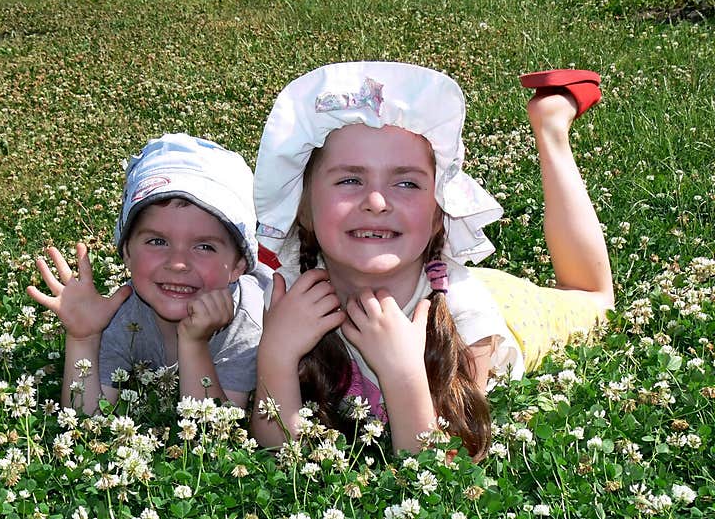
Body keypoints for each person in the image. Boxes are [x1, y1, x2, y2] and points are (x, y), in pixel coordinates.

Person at [249, 61, 614, 461]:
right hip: (438, 274)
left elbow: (450, 467)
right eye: (349, 180)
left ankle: (551, 127)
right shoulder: (295, 293)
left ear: (439, 212)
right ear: (304, 210)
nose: (375, 202)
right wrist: (276, 354)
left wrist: (402, 373)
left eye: (406, 183)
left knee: (593, 298)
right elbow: (281, 453)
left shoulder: (467, 315)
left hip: (509, 309)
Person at [27, 133, 272, 415]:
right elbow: (85, 420)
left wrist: (194, 343)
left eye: (204, 246)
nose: (177, 263)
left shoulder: (246, 324)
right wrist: (84, 339)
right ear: (127, 252)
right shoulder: (123, 313)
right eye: (157, 241)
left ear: (239, 265)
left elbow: (215, 433)